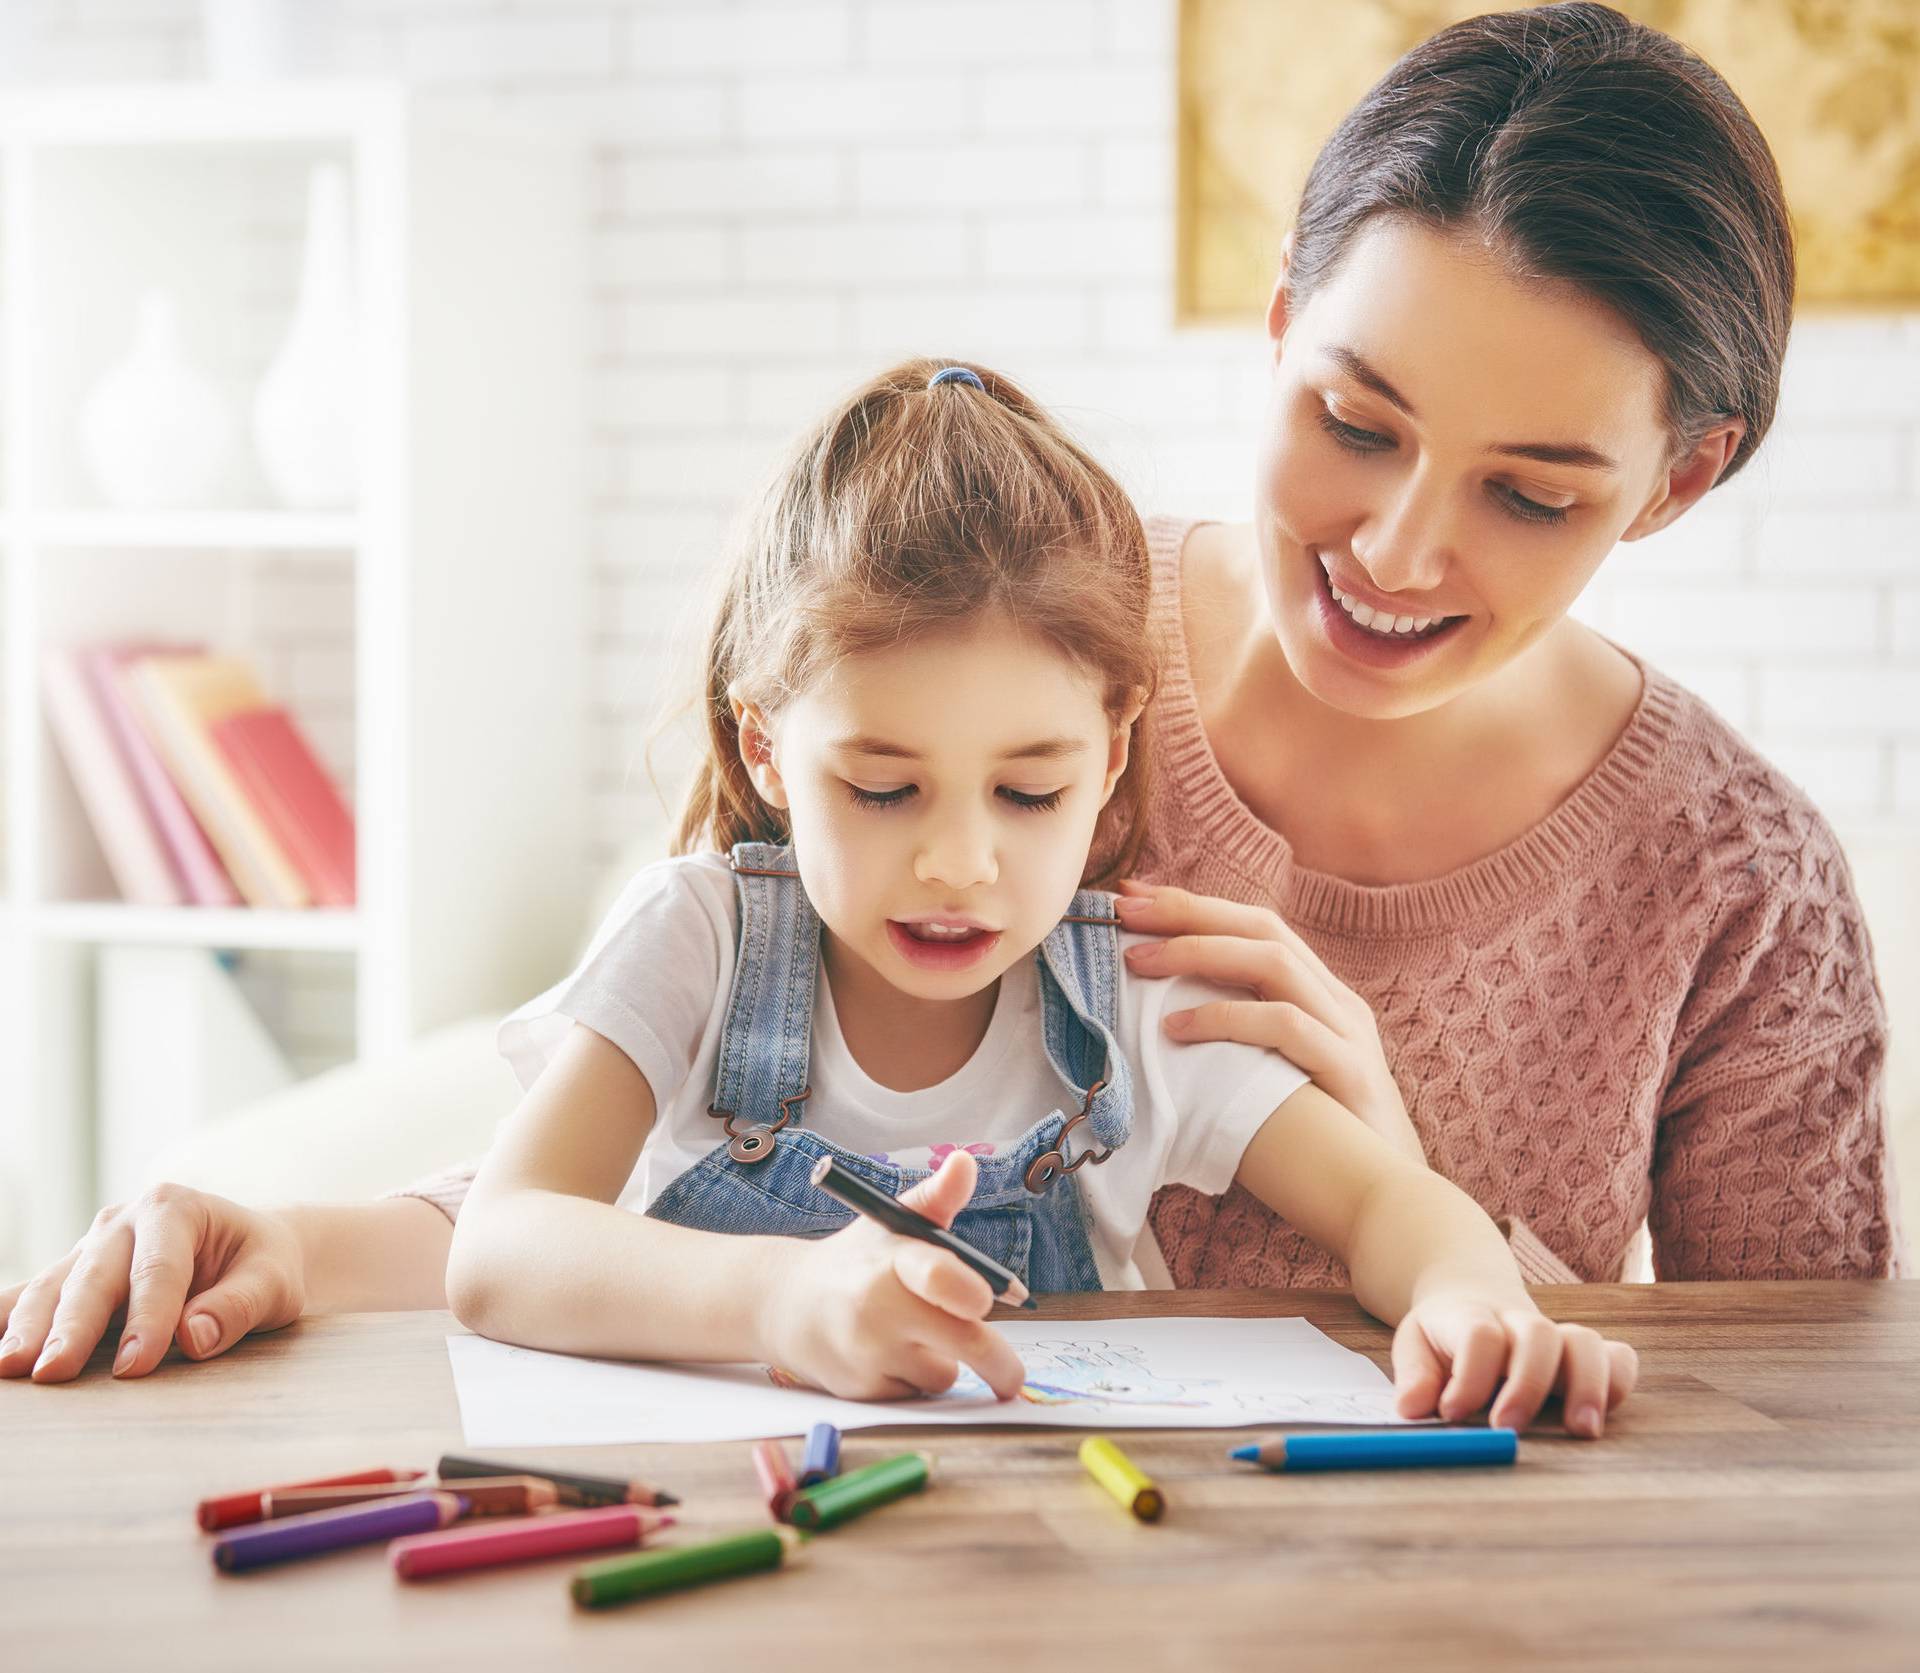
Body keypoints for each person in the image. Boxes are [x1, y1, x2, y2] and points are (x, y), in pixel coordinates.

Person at [3, 2, 1899, 1392]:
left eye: (1530, 490)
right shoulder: (1023, 628)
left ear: (1676, 481)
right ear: (1274, 331)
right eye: (1352, 419)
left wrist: (1424, 1201)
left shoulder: (1738, 888)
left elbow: (1807, 1428)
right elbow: (695, 1119)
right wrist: (299, 1239)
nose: (1400, 545)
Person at [448, 355, 1634, 1427]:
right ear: (766, 749)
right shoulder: (695, 941)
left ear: (1109, 756)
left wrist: (1471, 1295)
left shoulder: (1130, 1002)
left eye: (1027, 795)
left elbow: (1387, 1205)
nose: (959, 863)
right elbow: (503, 1243)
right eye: (880, 788)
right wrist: (783, 1298)